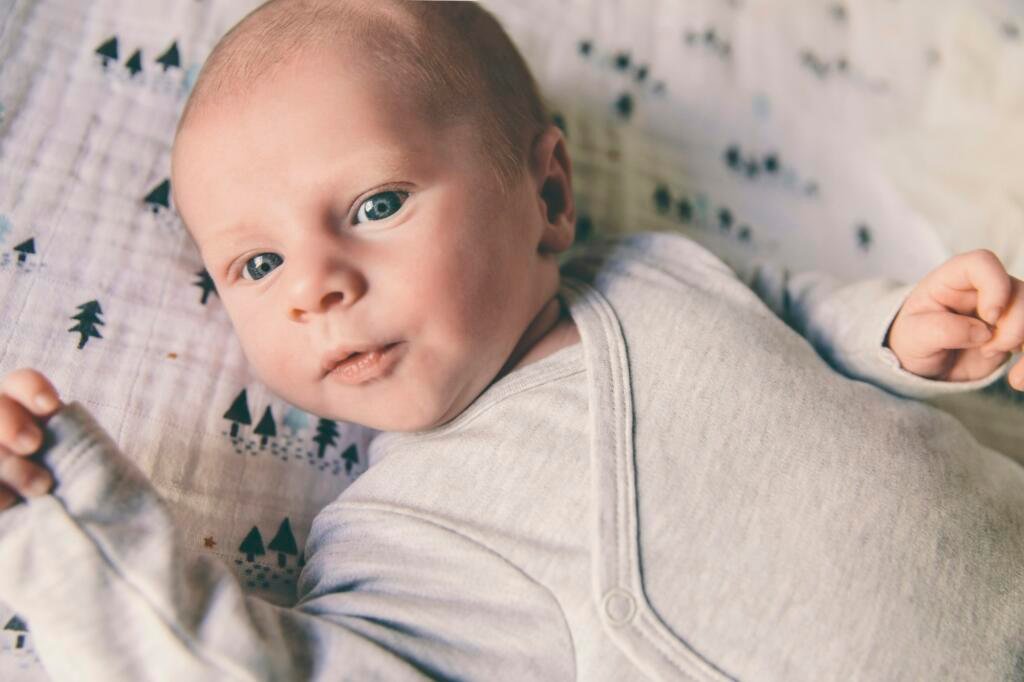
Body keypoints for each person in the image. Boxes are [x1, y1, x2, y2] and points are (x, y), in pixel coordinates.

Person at [1, 1, 1024, 679]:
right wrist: (63, 513)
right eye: (256, 266)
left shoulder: (656, 269)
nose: (315, 282)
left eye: (375, 202)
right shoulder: (401, 540)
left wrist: (897, 327)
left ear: (546, 192)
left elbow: (786, 308)